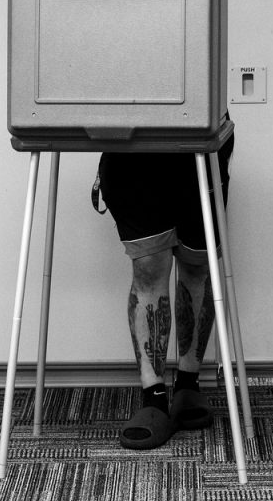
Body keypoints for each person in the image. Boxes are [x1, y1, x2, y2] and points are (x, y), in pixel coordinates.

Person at [94, 134, 233, 449]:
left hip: (198, 137)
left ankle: (188, 384)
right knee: (148, 267)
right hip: (132, 144)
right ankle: (153, 397)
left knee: (198, 263)